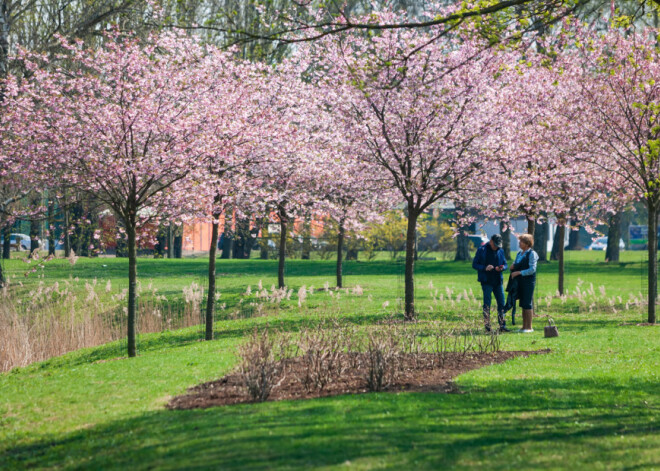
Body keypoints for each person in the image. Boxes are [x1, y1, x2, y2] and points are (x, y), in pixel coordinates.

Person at [472, 234, 509, 332]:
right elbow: (475, 264)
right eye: (495, 245)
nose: (496, 247)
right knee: (487, 304)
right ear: (491, 241)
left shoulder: (500, 250)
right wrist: (484, 268)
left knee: (501, 303)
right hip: (486, 281)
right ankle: (487, 326)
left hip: (497, 281)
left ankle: (502, 326)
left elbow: (505, 264)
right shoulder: (482, 250)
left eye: (498, 245)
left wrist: (501, 268)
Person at [510, 233, 539, 333]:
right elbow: (516, 263)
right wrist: (513, 267)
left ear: (527, 243)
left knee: (527, 303)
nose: (519, 243)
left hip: (528, 281)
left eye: (521, 241)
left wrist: (519, 272)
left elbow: (532, 269)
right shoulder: (519, 253)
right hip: (520, 281)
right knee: (522, 303)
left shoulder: (532, 254)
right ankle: (524, 326)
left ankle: (529, 327)